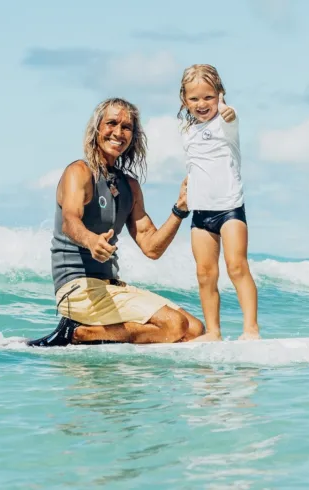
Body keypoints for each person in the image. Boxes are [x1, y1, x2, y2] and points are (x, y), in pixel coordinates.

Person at [26, 97, 205, 347]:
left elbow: (152, 247)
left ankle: (98, 331)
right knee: (174, 325)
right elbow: (70, 221)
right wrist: (91, 240)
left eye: (126, 127)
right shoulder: (79, 172)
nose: (118, 132)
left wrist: (180, 209)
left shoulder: (129, 186)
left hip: (110, 288)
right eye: (111, 123)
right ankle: (79, 333)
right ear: (97, 128)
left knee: (195, 329)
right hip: (77, 290)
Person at [177, 64, 260, 342]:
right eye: (195, 98)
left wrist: (228, 111)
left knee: (236, 266)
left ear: (220, 95)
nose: (202, 104)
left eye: (209, 97)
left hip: (229, 209)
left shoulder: (226, 121)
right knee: (204, 274)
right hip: (200, 213)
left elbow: (231, 115)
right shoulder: (186, 129)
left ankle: (251, 329)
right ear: (184, 100)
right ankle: (213, 331)